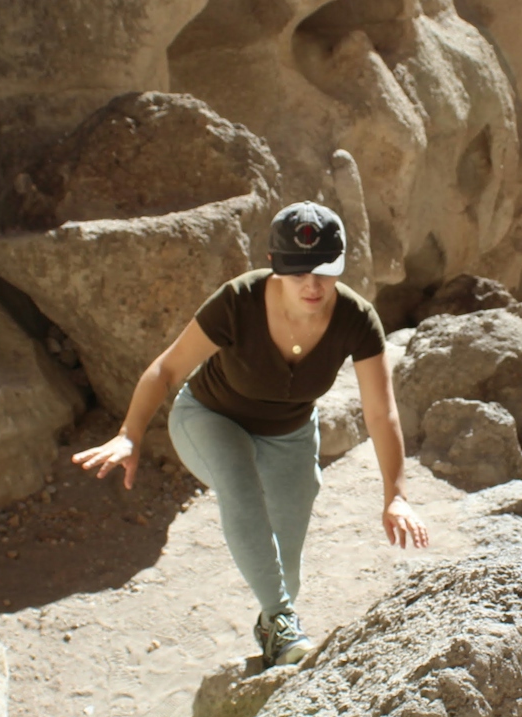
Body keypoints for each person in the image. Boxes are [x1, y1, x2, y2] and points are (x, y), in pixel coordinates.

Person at [72, 201, 429, 668]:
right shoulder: (239, 301)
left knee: (286, 568)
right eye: (298, 271)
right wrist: (130, 435)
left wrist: (396, 495)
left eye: (324, 270)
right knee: (241, 491)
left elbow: (382, 415)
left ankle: (274, 622)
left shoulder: (357, 320)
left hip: (292, 434)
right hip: (210, 418)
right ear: (274, 266)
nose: (312, 284)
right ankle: (282, 623)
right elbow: (167, 369)